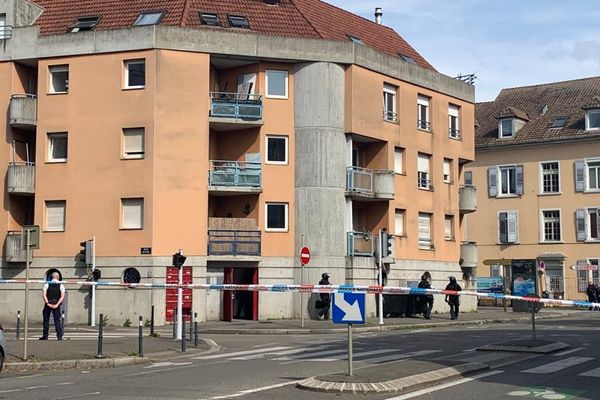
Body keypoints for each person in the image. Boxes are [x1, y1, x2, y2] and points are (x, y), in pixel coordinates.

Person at [40, 271, 65, 340]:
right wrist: (57, 304)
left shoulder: (47, 284)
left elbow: (44, 295)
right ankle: (59, 336)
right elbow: (62, 296)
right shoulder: (61, 285)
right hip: (56, 304)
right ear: (58, 277)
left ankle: (45, 336)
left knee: (46, 320)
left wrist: (47, 303)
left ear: (52, 277)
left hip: (48, 304)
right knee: (57, 320)